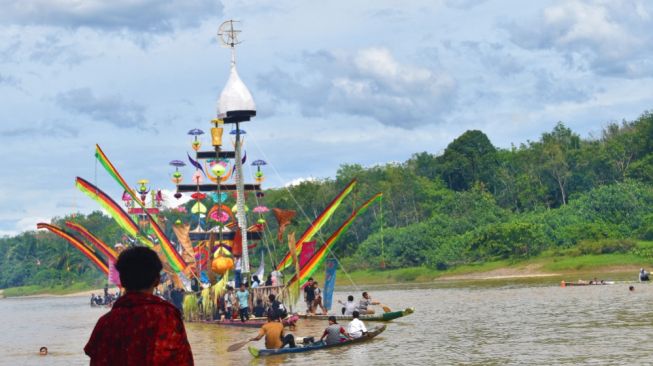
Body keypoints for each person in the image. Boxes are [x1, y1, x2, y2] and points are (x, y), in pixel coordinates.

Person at [84, 246, 193, 365]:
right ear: (157, 280)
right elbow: (184, 361)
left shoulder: (106, 323)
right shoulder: (168, 317)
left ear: (122, 280)